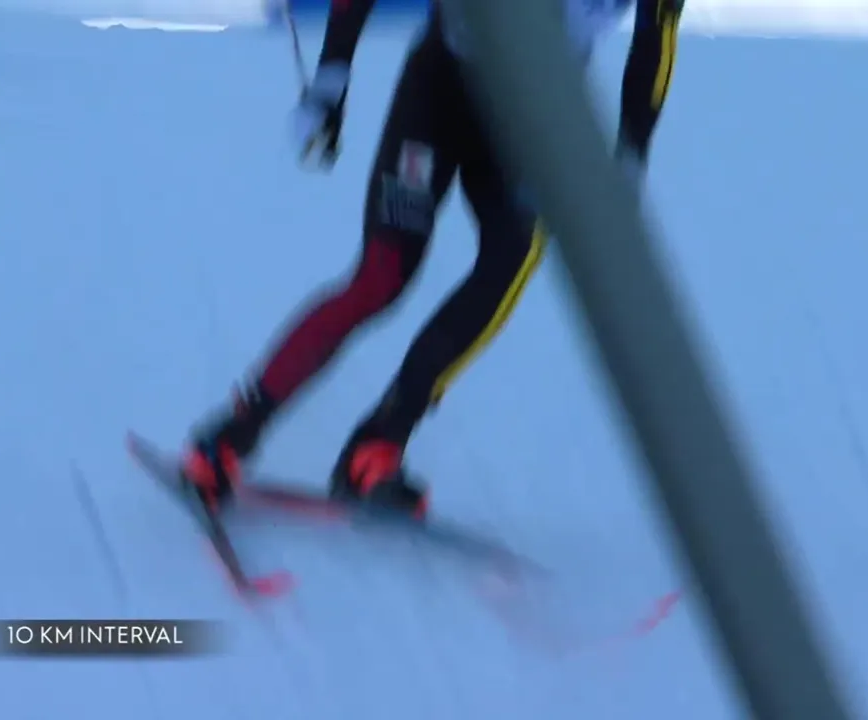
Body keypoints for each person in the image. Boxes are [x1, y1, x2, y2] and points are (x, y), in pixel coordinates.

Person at [180, 0, 683, 519]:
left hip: (531, 120)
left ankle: (379, 443)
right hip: (441, 94)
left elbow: (657, 40)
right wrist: (331, 80)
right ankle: (233, 432)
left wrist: (631, 158)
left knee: (512, 263)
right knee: (382, 276)